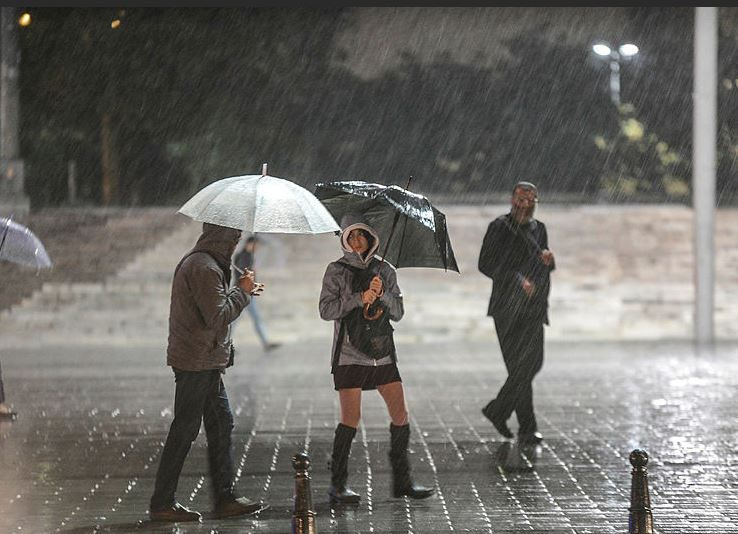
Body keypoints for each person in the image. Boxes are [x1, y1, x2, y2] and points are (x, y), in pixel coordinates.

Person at [149, 222, 269, 522]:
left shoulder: (206, 263)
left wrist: (241, 291)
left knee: (221, 423)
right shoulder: (203, 267)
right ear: (222, 236)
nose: (236, 243)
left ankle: (225, 497)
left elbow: (214, 309)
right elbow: (217, 316)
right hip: (196, 362)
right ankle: (162, 502)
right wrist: (241, 294)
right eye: (234, 237)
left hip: (205, 360)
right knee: (185, 429)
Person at [319, 213, 434, 504]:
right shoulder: (336, 270)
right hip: (349, 354)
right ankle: (338, 485)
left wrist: (381, 295)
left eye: (361, 235)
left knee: (400, 415)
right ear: (344, 240)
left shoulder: (386, 270)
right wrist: (360, 298)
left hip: (382, 353)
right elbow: (326, 310)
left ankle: (403, 481)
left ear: (371, 237)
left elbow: (398, 312)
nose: (357, 241)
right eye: (351, 236)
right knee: (351, 418)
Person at [478, 181, 555, 445]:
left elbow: (542, 264)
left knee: (532, 363)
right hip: (507, 308)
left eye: (531, 199)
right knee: (518, 367)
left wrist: (549, 262)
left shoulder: (539, 228)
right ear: (512, 200)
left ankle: (498, 409)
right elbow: (485, 264)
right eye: (520, 199)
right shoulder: (499, 227)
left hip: (534, 308)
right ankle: (527, 427)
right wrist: (517, 280)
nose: (525, 204)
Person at [232, 235, 280, 352]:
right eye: (256, 245)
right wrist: (251, 272)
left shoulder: (249, 256)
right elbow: (241, 275)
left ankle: (265, 343)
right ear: (250, 244)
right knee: (234, 320)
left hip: (248, 293)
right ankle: (225, 345)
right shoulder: (242, 256)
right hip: (242, 293)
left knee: (254, 318)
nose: (257, 247)